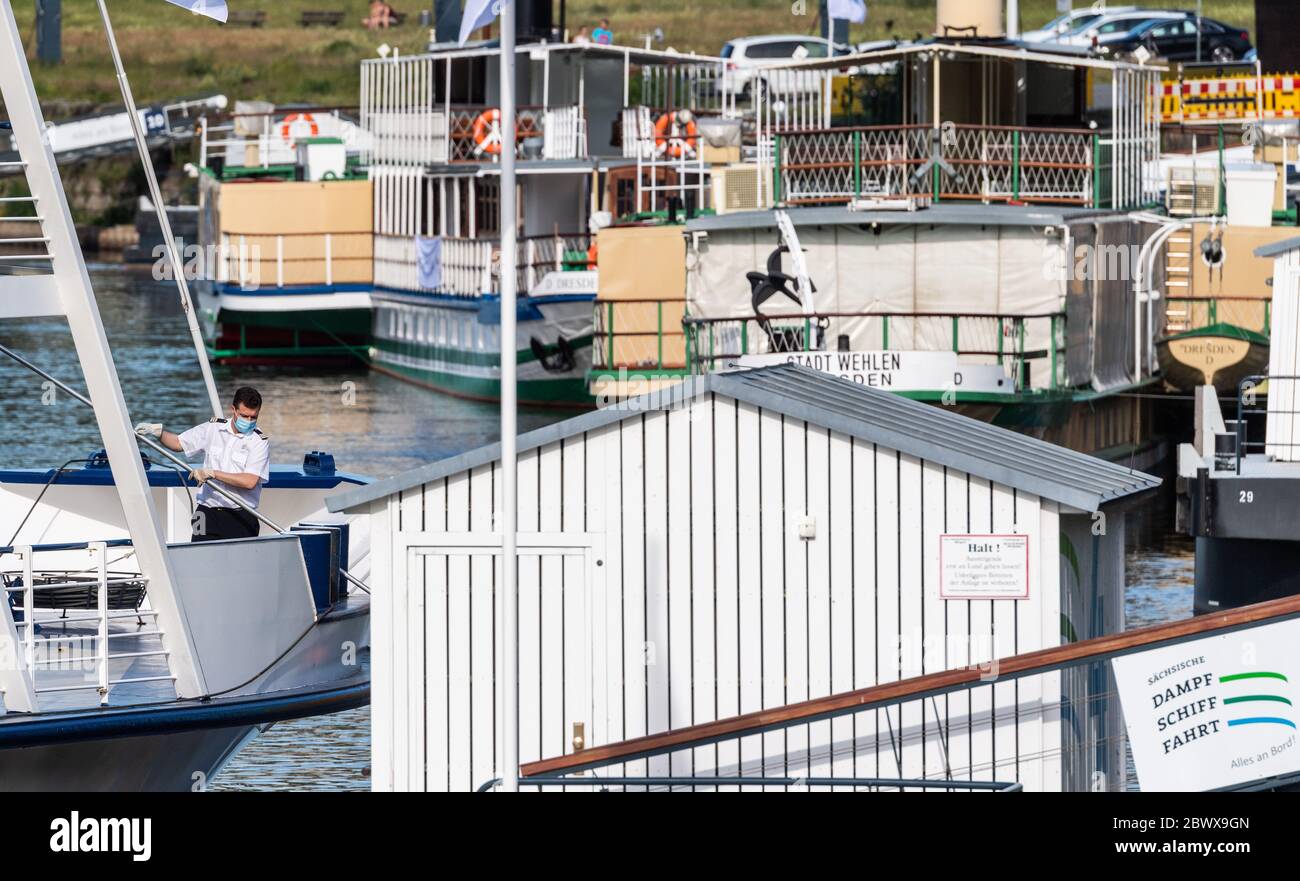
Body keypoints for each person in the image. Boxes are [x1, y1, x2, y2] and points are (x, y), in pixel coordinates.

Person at [135, 387, 271, 543]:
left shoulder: (259, 441)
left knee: (237, 565)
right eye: (244, 416)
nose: (248, 421)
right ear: (233, 409)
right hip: (206, 512)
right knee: (198, 560)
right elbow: (179, 443)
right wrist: (158, 432)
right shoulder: (213, 428)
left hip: (240, 515)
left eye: (253, 417)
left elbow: (249, 481)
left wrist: (212, 473)